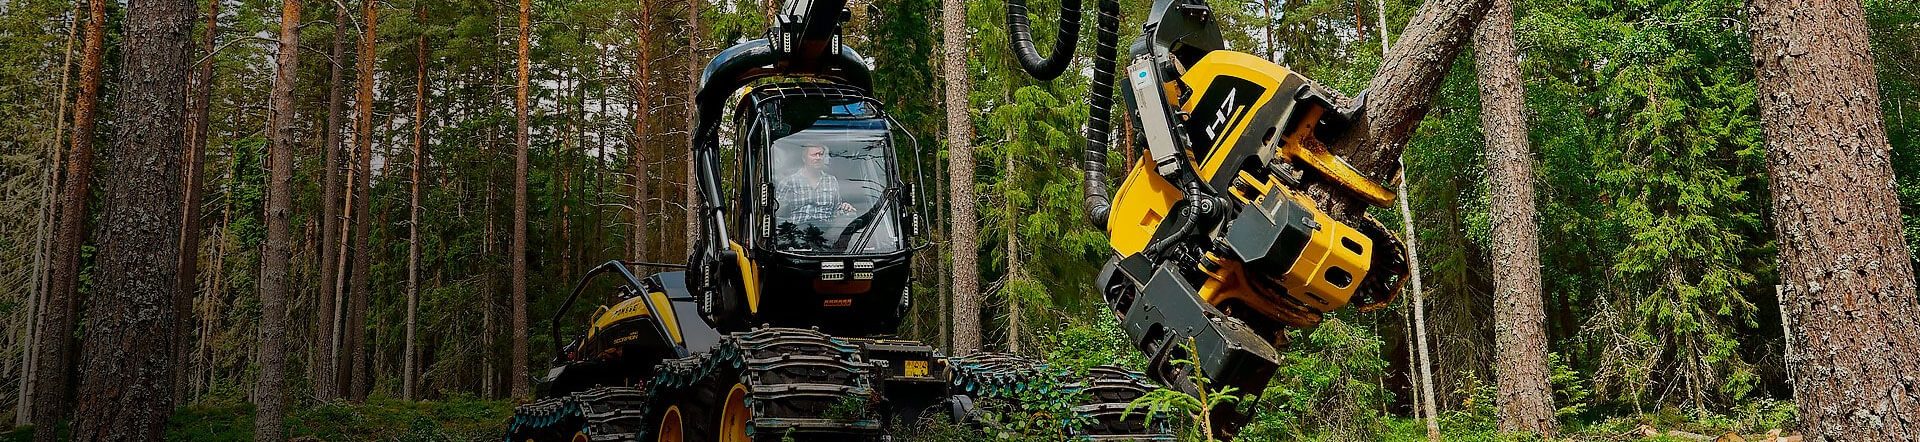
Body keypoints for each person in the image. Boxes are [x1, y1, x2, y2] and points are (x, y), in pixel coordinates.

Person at [776, 143, 856, 225]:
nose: (818, 158)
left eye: (821, 154)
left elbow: (836, 212)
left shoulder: (831, 180)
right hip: (798, 232)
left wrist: (845, 208)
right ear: (804, 158)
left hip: (826, 232)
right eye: (814, 155)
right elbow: (777, 213)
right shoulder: (788, 182)